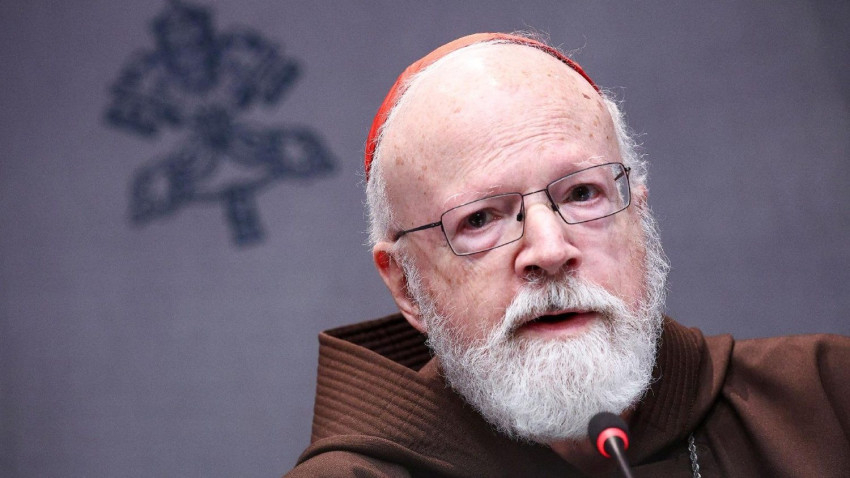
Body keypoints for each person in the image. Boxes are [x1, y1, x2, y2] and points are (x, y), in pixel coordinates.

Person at [286, 32, 850, 477]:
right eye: (479, 218)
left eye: (582, 194)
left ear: (638, 217)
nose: (550, 250)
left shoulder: (828, 398)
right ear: (407, 285)